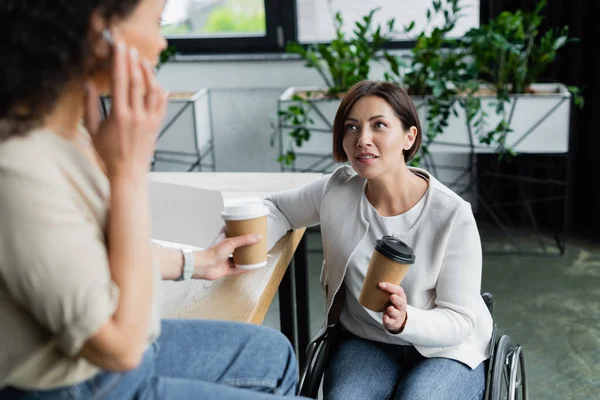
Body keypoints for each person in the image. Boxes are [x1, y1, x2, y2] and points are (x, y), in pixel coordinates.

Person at [0, 1, 304, 398]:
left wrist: (195, 262)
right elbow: (120, 347)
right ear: (100, 31)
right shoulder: (19, 169)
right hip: (77, 384)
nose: (161, 42)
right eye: (157, 21)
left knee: (273, 354)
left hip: (109, 363)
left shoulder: (66, 129)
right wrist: (129, 172)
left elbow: (92, 250)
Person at [265, 80, 494, 399]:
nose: (363, 140)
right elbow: (277, 208)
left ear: (409, 136)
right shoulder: (337, 190)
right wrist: (241, 243)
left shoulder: (452, 214)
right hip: (367, 340)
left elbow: (459, 319)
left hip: (446, 348)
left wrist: (406, 319)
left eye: (379, 125)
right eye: (351, 127)